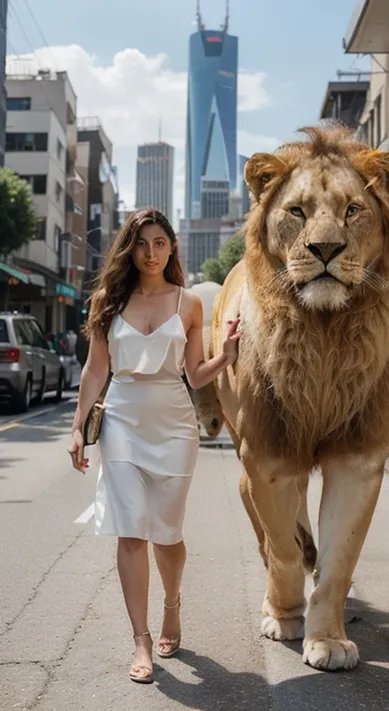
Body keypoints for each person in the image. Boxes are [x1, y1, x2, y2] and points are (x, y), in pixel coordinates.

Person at [68, 208, 240, 684]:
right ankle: (140, 639)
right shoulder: (107, 299)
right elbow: (95, 370)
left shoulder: (188, 304)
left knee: (167, 535)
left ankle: (172, 604)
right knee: (131, 531)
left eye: (159, 243)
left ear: (172, 247)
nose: (150, 252)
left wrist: (226, 354)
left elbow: (194, 373)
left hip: (174, 424)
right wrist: (78, 425)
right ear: (130, 247)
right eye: (142, 243)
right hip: (122, 417)